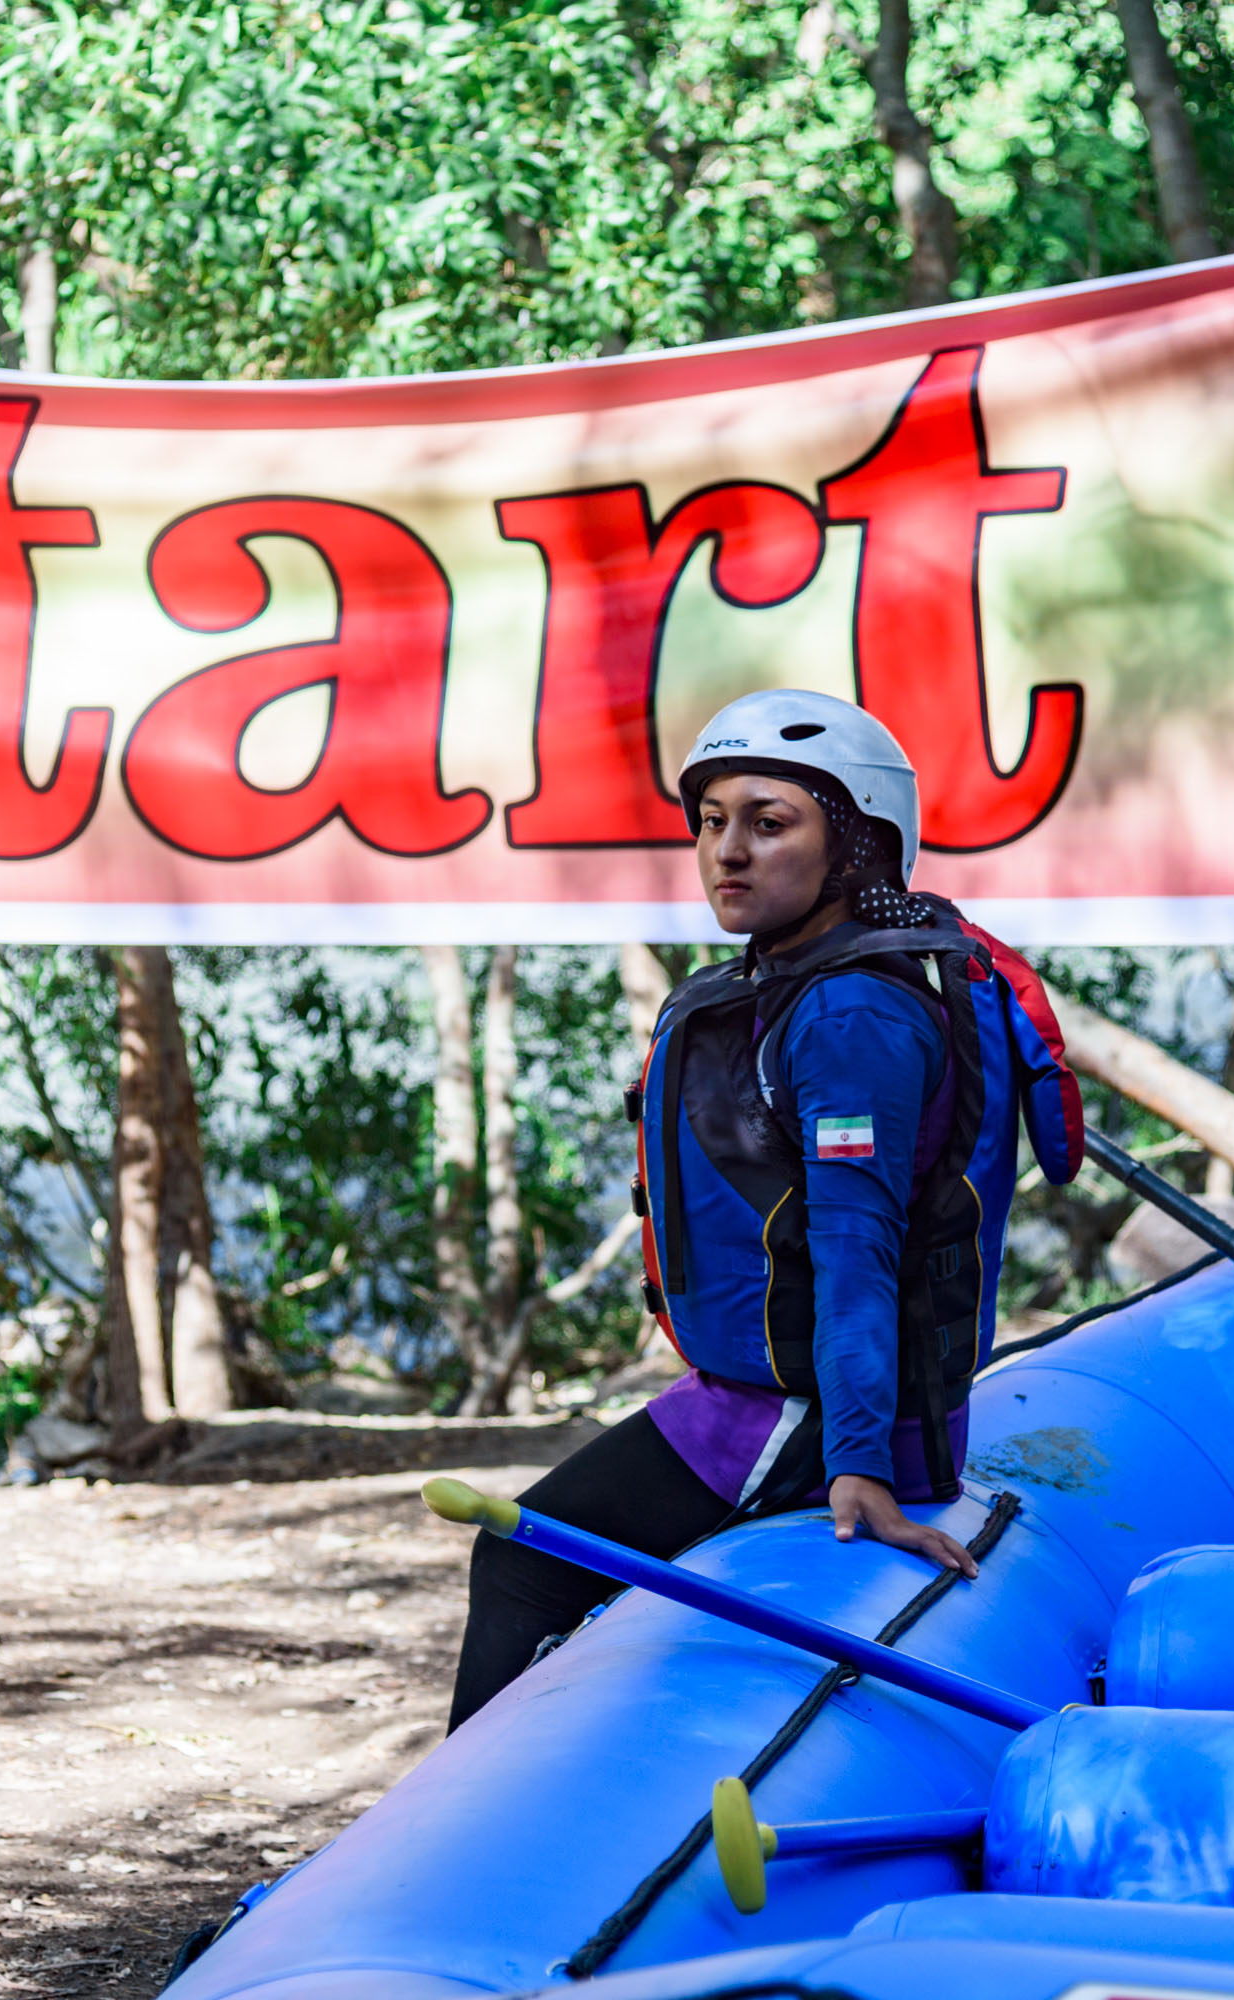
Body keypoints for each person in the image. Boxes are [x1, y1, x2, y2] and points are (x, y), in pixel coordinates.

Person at [448, 688, 1084, 1728]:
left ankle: (468, 1805)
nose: (727, 852)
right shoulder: (806, 980)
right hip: (767, 1393)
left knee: (525, 1556)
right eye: (712, 822)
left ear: (857, 845)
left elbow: (856, 1247)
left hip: (811, 1414)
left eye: (769, 821)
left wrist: (860, 1466)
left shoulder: (852, 1013)